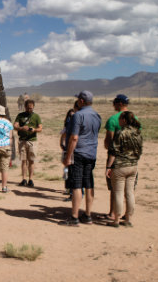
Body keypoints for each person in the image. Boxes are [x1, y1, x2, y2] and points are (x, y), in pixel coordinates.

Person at [60, 91, 101, 226]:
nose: (77, 101)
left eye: (78, 99)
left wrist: (68, 155)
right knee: (89, 184)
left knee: (76, 184)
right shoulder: (97, 116)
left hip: (78, 153)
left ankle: (74, 217)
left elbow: (74, 137)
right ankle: (88, 215)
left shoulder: (78, 115)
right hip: (91, 153)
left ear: (82, 101)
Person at [105, 111, 143, 228]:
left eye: (120, 119)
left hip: (120, 166)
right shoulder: (138, 133)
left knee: (118, 193)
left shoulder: (121, 133)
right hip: (133, 166)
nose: (119, 121)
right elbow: (139, 150)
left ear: (124, 120)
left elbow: (113, 151)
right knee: (130, 193)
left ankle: (116, 220)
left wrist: (109, 167)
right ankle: (128, 218)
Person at [103, 94, 129, 221]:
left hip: (116, 158)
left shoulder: (113, 120)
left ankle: (113, 213)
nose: (113, 104)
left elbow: (108, 141)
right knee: (129, 188)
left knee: (115, 188)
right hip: (131, 158)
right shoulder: (135, 118)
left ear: (119, 104)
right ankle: (127, 215)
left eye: (114, 102)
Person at [13, 99, 43, 187]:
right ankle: (24, 179)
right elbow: (15, 126)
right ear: (25, 107)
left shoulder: (36, 116)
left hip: (32, 141)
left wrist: (34, 130)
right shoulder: (20, 115)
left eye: (31, 108)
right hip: (22, 140)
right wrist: (22, 128)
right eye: (28, 108)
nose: (30, 110)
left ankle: (31, 179)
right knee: (23, 161)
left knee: (31, 160)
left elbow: (40, 128)